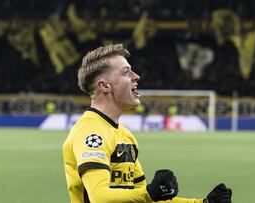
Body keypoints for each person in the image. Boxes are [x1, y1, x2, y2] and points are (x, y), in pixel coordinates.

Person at [62, 44, 232, 203]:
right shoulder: (91, 133)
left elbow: (141, 197)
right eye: (125, 72)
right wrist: (150, 193)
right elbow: (99, 197)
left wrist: (202, 202)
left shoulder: (125, 136)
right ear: (104, 86)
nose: (136, 76)